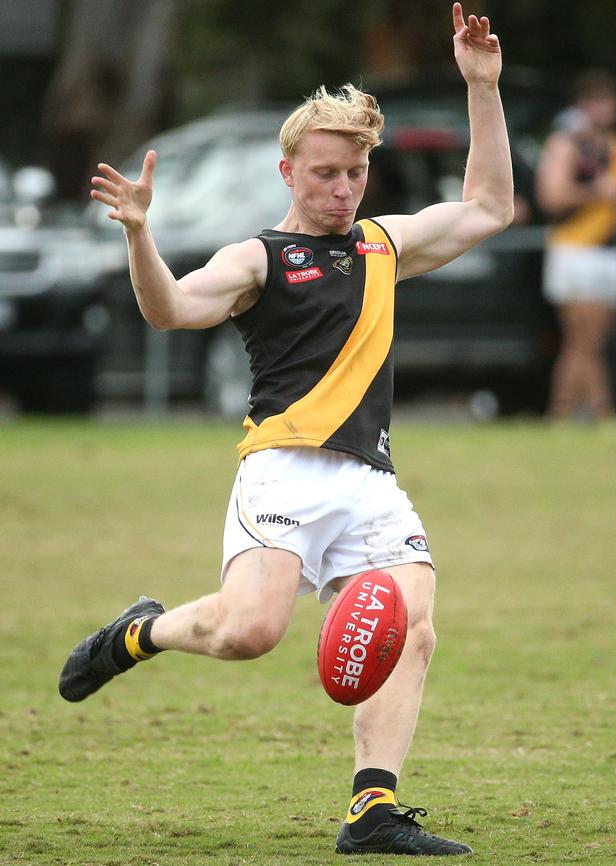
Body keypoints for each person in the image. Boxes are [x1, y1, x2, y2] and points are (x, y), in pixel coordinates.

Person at [59, 3, 513, 857]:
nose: (342, 189)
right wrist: (139, 233)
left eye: (355, 173)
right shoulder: (260, 257)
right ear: (288, 170)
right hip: (283, 471)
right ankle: (138, 632)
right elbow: (172, 310)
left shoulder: (384, 246)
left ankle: (371, 810)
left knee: (413, 622)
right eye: (325, 173)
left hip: (370, 481)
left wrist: (481, 88)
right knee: (248, 633)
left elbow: (489, 207)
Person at [536, 69, 616, 420]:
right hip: (574, 249)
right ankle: (600, 411)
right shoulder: (567, 144)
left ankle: (565, 412)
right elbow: (552, 197)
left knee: (586, 343)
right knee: (583, 342)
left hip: (609, 253)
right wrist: (593, 191)